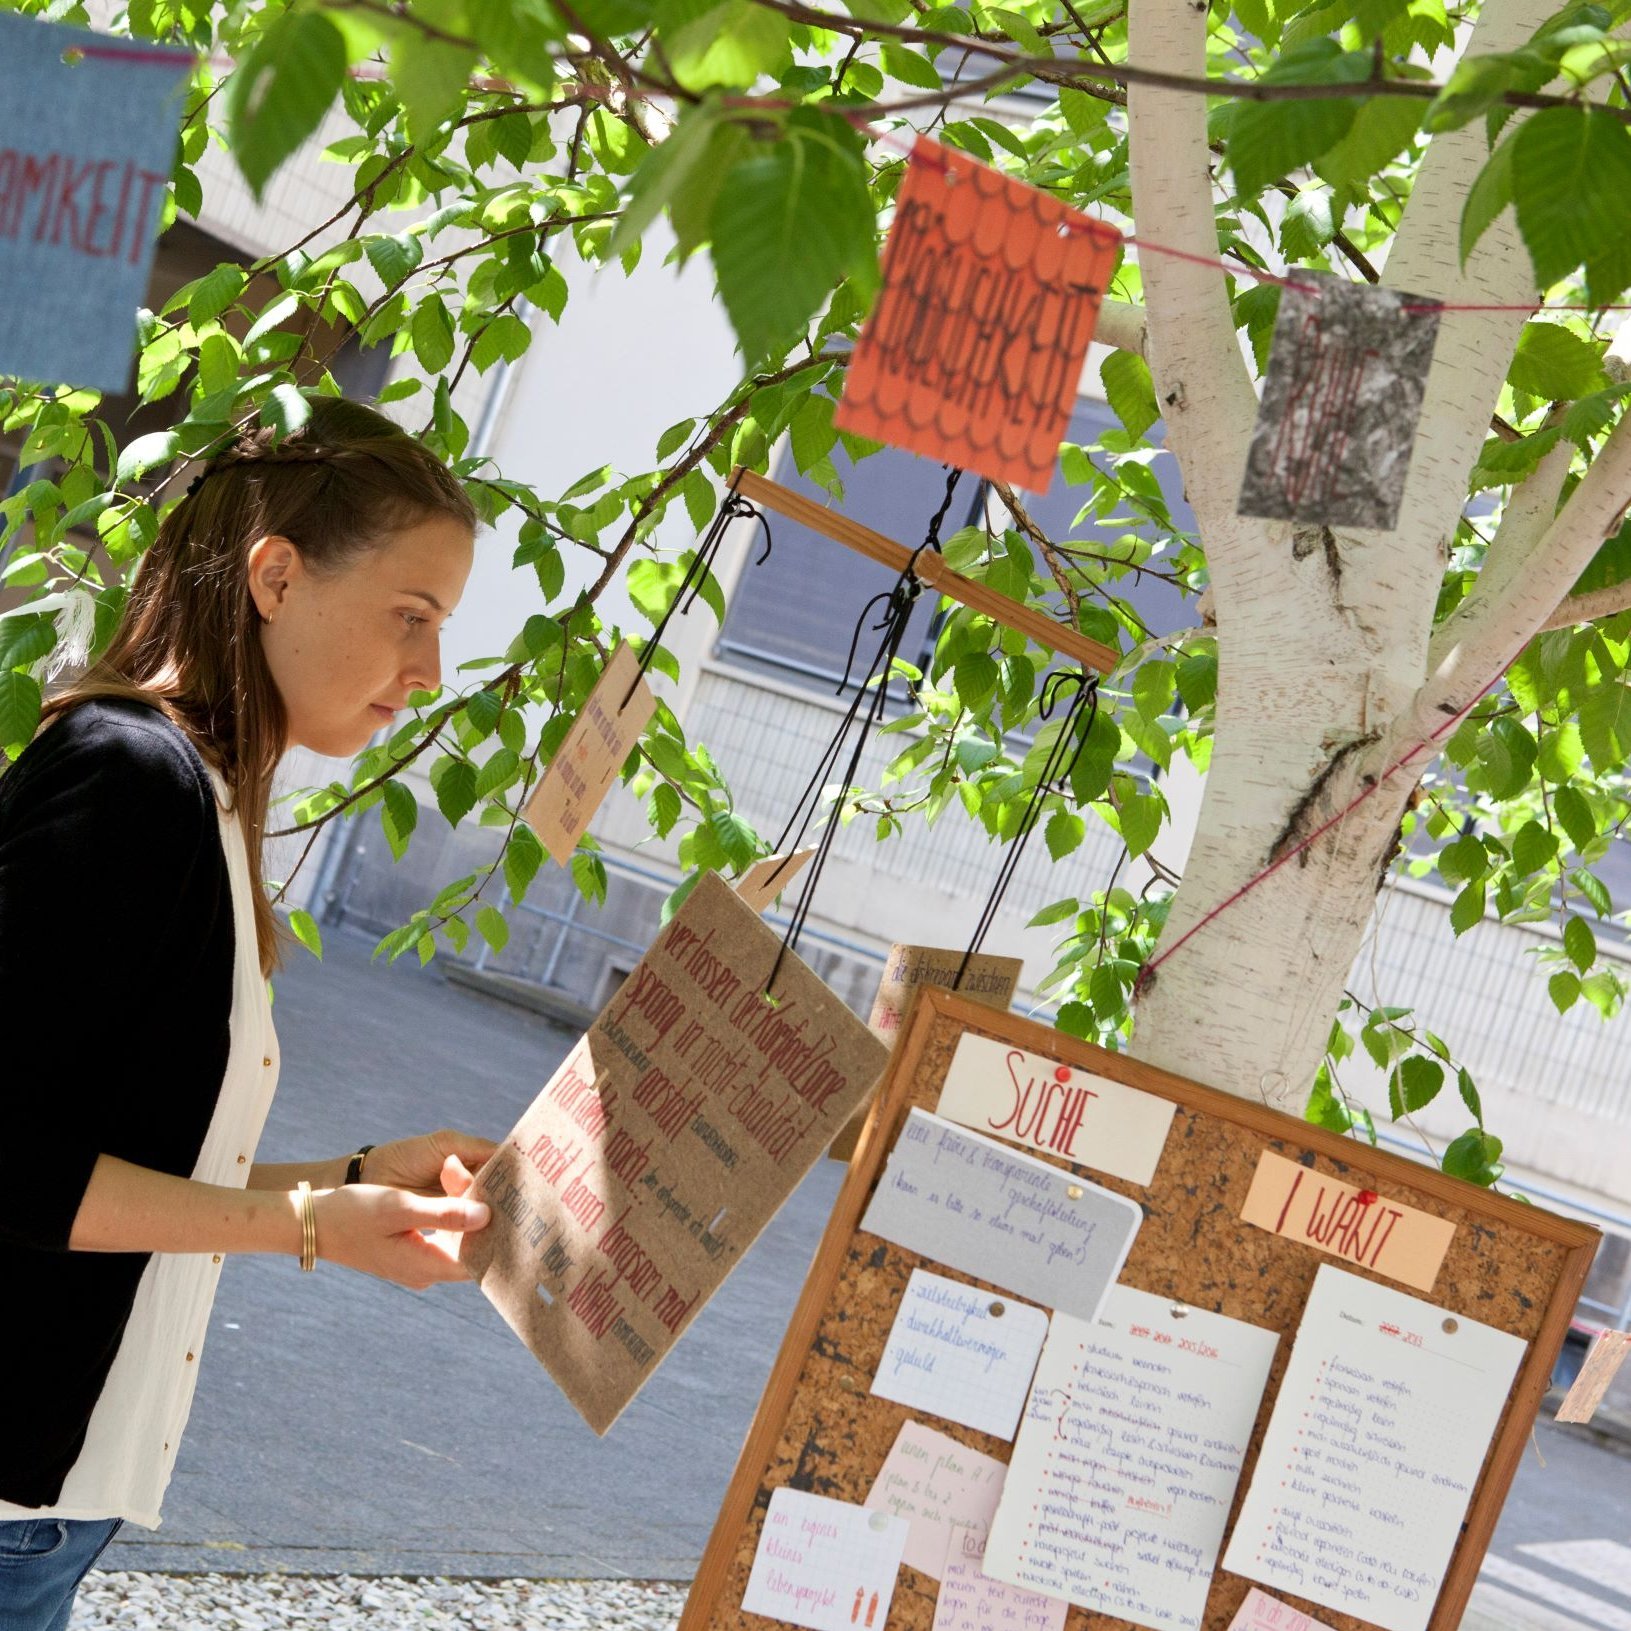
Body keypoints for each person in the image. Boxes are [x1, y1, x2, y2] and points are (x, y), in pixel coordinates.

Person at [0, 397, 499, 1631]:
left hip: (50, 1515)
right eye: (411, 615)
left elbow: (115, 1160)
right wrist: (310, 1225)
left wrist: (345, 1175)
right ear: (275, 575)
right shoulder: (131, 778)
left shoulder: (204, 799)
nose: (429, 672)